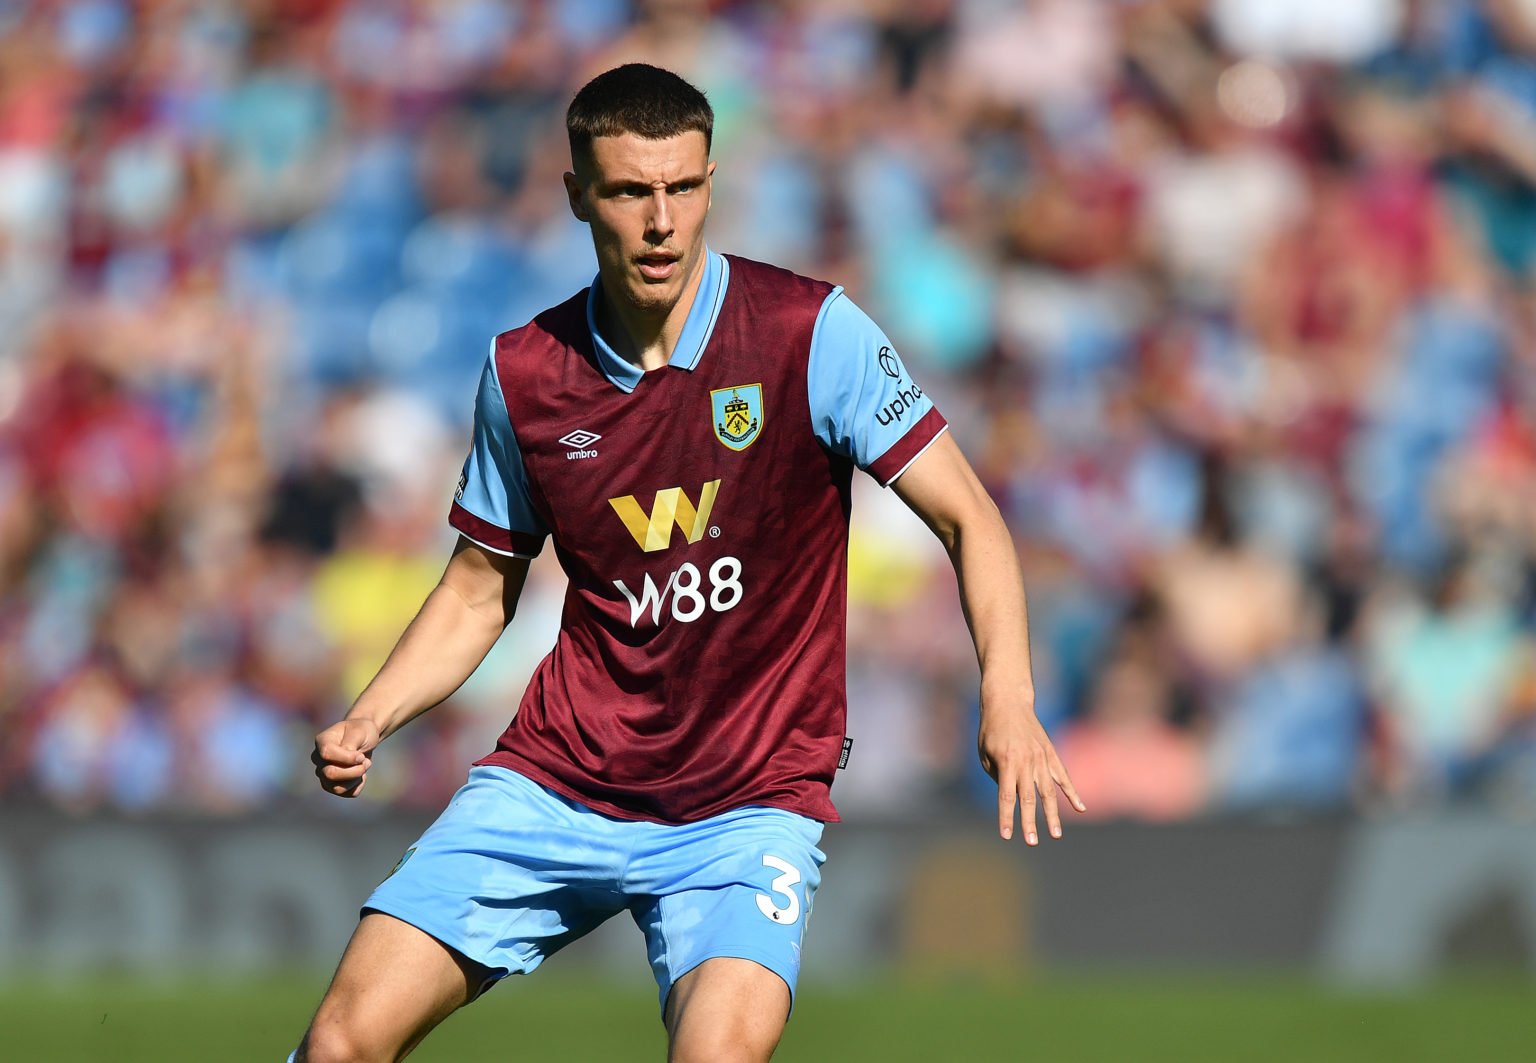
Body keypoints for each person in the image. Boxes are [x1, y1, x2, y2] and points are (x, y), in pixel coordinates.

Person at [294, 63, 1084, 1063]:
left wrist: (1007, 697)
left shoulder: (809, 334)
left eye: (681, 187)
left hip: (747, 806)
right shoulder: (526, 375)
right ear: (580, 193)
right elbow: (476, 585)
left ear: (712, 181)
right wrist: (372, 715)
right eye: (629, 191)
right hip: (557, 781)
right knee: (339, 1044)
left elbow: (972, 518)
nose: (661, 220)